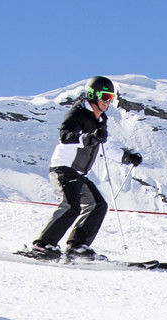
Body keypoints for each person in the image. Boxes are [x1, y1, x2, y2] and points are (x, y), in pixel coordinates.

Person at [17, 76, 141, 261]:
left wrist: (127, 157)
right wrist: (89, 137)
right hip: (63, 168)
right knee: (71, 206)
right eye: (105, 97)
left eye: (111, 98)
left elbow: (103, 145)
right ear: (92, 95)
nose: (108, 102)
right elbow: (66, 137)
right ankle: (42, 245)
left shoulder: (100, 119)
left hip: (78, 173)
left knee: (98, 205)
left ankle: (77, 247)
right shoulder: (77, 113)